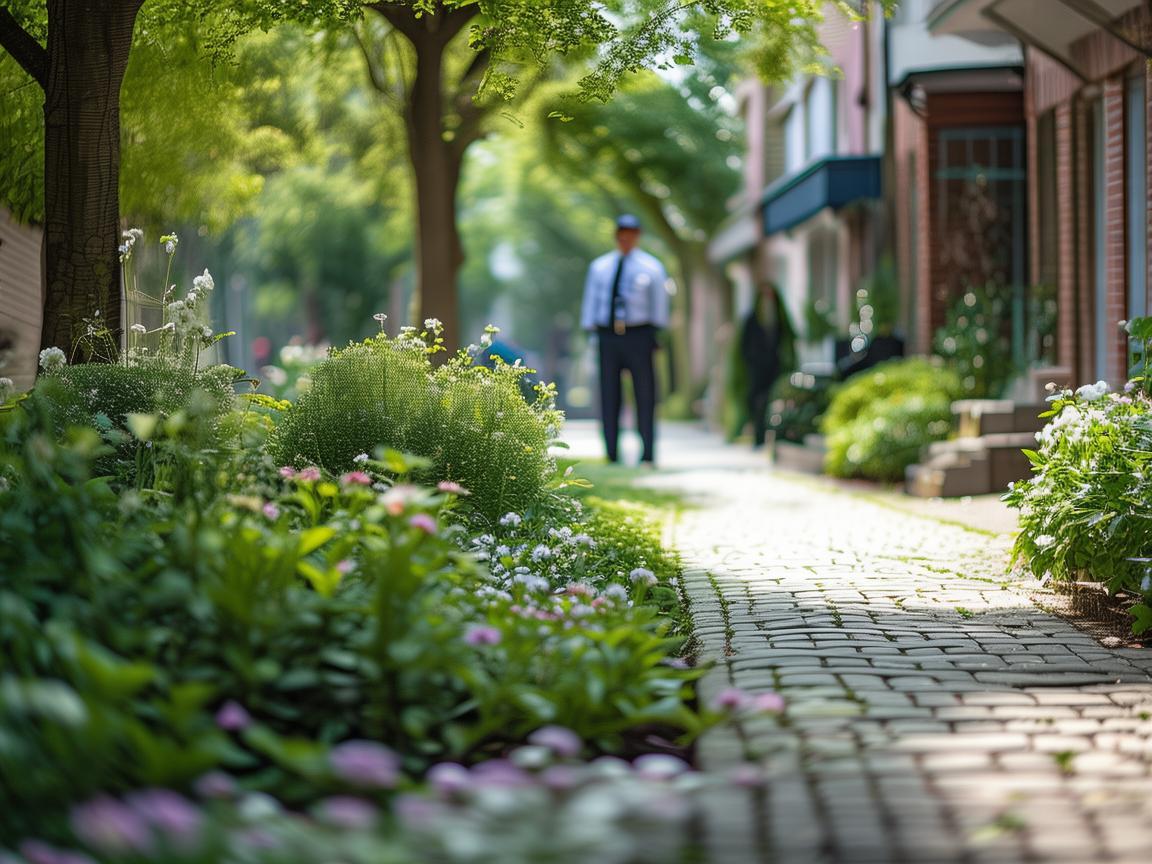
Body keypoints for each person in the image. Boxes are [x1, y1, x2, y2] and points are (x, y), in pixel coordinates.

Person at [580, 214, 670, 466]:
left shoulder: (652, 267)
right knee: (608, 394)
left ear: (637, 235)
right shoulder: (600, 267)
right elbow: (591, 301)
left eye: (630, 232)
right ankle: (611, 451)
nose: (625, 237)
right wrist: (591, 331)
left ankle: (648, 452)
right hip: (608, 335)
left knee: (645, 393)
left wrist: (656, 333)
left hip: (639, 334)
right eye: (621, 232)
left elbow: (659, 305)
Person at [739, 282, 796, 448]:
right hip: (757, 368)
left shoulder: (779, 319)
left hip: (774, 366)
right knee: (757, 402)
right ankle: (758, 437)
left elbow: (789, 338)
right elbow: (744, 345)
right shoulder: (752, 319)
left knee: (773, 401)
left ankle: (774, 436)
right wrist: (752, 360)